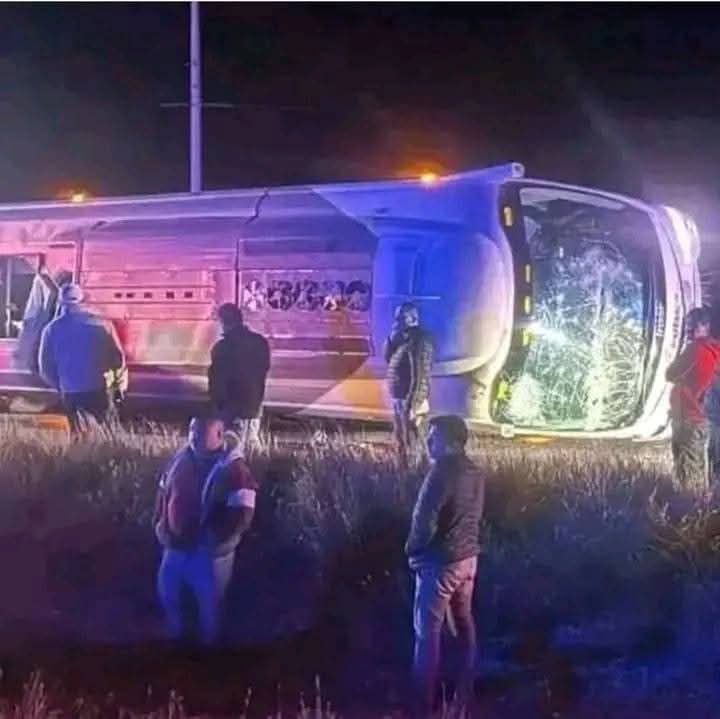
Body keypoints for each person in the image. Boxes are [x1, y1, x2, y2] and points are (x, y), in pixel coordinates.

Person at [405, 415, 485, 718]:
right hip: (468, 560)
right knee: (464, 627)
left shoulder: (440, 473)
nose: (428, 442)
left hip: (441, 564)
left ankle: (421, 706)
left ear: (452, 442)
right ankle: (463, 696)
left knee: (427, 634)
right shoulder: (475, 471)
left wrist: (413, 550)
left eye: (433, 436)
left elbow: (423, 520)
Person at [154, 415, 258, 645]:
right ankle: (174, 639)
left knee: (210, 606)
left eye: (200, 433)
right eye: (192, 430)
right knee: (167, 592)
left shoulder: (235, 469)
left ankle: (209, 650)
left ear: (219, 435)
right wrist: (160, 524)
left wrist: (218, 541)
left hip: (209, 554)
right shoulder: (180, 459)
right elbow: (163, 492)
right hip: (176, 544)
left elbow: (243, 513)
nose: (193, 437)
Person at [38, 283, 125, 432]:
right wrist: (117, 387)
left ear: (60, 302)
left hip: (70, 391)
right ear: (83, 300)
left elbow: (44, 366)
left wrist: (60, 385)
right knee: (105, 433)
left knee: (78, 433)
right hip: (99, 389)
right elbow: (118, 359)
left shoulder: (51, 329)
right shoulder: (103, 325)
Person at [666, 307, 720, 491]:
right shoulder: (715, 352)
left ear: (705, 326)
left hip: (688, 418)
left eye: (693, 325)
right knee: (697, 469)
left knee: (687, 475)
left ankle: (692, 506)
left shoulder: (696, 349)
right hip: (701, 419)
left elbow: (670, 373)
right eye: (688, 326)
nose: (689, 330)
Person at [208, 303, 271, 454]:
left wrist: (217, 404)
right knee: (252, 446)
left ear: (223, 322)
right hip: (254, 405)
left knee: (232, 450)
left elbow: (217, 381)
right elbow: (264, 368)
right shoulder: (260, 342)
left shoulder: (222, 348)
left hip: (231, 408)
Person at [384, 302, 433, 463]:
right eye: (396, 317)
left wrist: (413, 405)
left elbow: (419, 375)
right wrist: (391, 339)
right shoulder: (403, 340)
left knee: (414, 441)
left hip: (410, 399)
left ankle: (418, 470)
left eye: (401, 317)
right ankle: (404, 469)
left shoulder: (419, 341)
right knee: (402, 441)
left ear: (413, 319)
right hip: (399, 397)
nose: (397, 321)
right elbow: (389, 359)